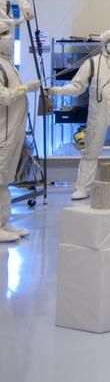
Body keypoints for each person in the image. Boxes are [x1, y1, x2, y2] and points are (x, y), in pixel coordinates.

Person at [45, 29, 110, 200]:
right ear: (103, 43)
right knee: (91, 151)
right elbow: (77, 86)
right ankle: (83, 187)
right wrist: (56, 90)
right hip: (98, 112)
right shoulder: (92, 63)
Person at [0, 24, 39, 242]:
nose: (8, 38)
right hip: (3, 132)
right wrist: (25, 88)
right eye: (3, 34)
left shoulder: (7, 64)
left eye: (9, 34)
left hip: (13, 131)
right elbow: (3, 96)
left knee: (5, 179)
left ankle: (4, 223)